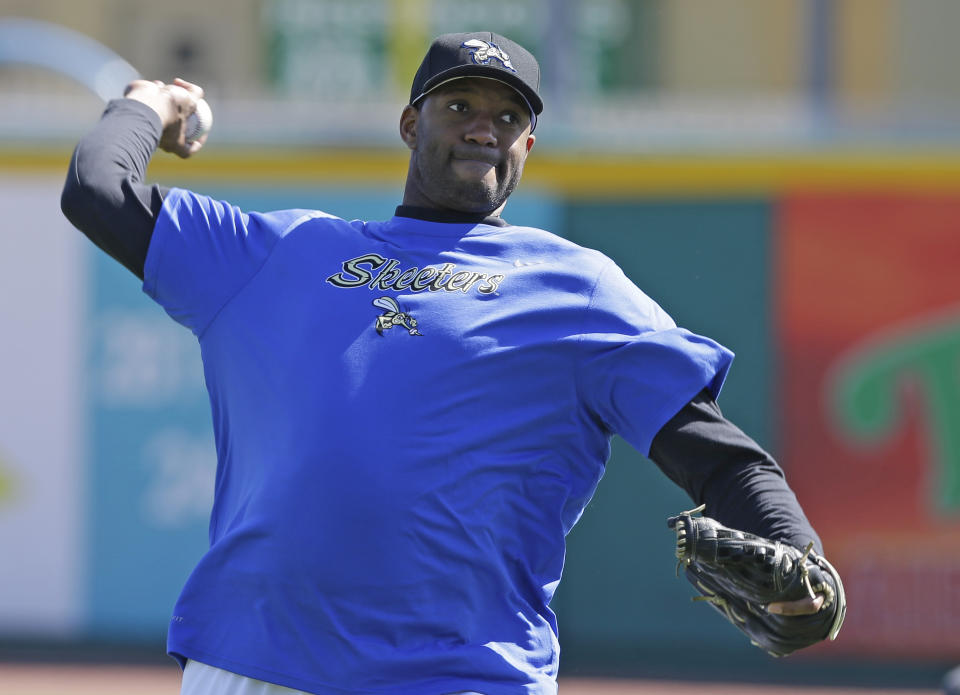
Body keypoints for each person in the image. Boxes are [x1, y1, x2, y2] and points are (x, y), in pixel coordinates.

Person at [62, 31, 833, 695]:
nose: (482, 129)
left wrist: (801, 554)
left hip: (463, 671)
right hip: (256, 660)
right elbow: (99, 190)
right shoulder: (279, 251)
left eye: (508, 116)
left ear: (528, 144)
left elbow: (717, 454)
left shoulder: (581, 287)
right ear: (410, 123)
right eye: (458, 106)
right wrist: (147, 103)